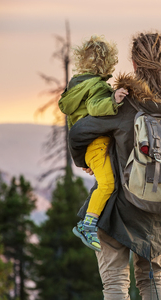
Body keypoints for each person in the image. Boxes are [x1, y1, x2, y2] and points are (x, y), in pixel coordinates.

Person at [68, 32, 161, 300]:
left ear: (135, 65)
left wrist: (86, 160)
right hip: (159, 206)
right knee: (152, 280)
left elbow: (78, 132)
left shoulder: (127, 102)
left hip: (119, 206)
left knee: (115, 283)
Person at [58, 35, 128, 252]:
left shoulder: (76, 87)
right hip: (97, 144)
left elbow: (77, 119)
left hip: (88, 148)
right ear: (108, 63)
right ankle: (87, 225)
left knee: (105, 184)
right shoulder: (96, 86)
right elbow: (96, 107)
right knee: (108, 185)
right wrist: (114, 100)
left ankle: (89, 222)